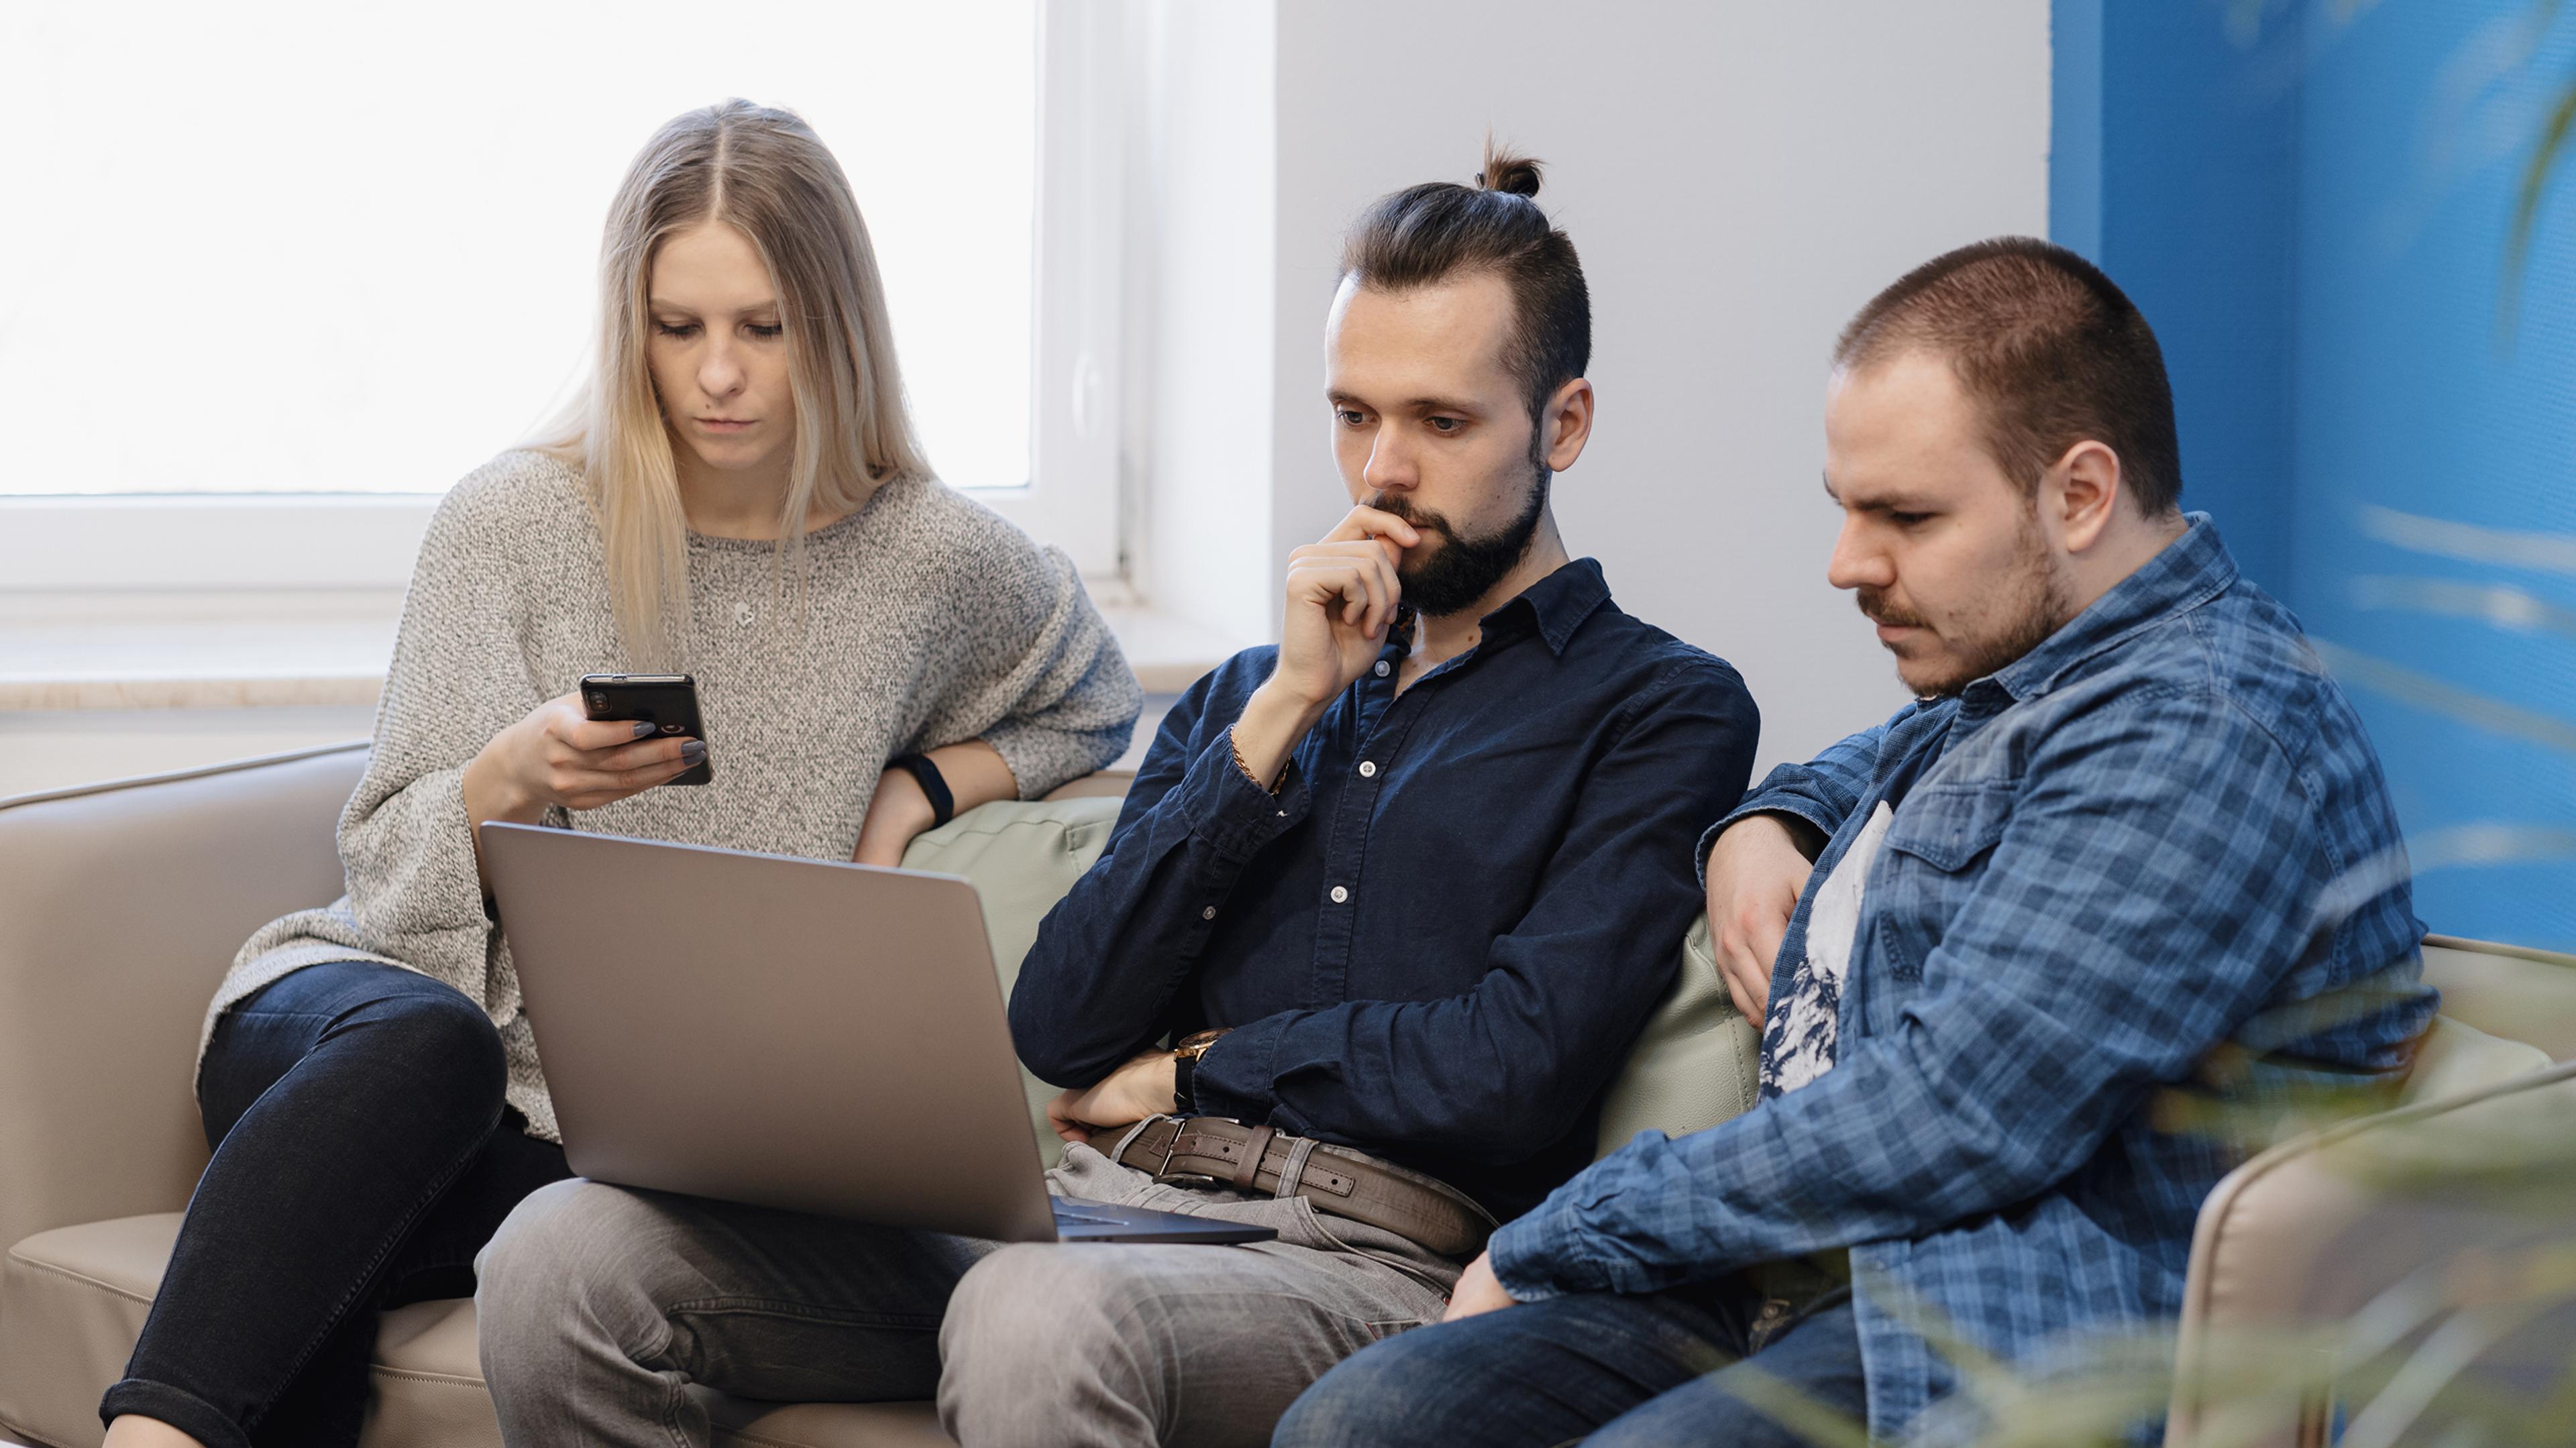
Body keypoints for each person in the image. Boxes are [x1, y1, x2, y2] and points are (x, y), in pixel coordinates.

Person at [473, 145, 1762, 1448]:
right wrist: (1278, 721)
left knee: (1034, 1314)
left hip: (1361, 1260)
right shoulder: (1255, 697)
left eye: (1441, 422)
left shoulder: (1662, 708)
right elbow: (1064, 1021)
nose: (1379, 471)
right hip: (1083, 1211)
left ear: (1564, 423)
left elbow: (1511, 1071)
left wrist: (1203, 1068)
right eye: (1352, 414)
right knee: (564, 1256)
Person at [1275, 237, 2439, 1448]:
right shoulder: (2028, 683)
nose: (1847, 565)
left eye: (1906, 517)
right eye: (1845, 509)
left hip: (2005, 1328)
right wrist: (1765, 823)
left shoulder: (2201, 729)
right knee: (1362, 1423)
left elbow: (1952, 1111)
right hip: (1807, 1281)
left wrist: (1565, 1232)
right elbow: (1878, 761)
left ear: (2081, 495)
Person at [98, 99, 1140, 1448]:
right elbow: (386, 881)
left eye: (761, 329)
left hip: (581, 1141)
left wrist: (924, 788)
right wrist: (506, 780)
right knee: (439, 1050)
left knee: (527, 1231)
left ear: (835, 326)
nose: (719, 374)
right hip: (361, 1032)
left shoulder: (928, 560)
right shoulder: (515, 522)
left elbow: (1096, 694)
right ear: (628, 323)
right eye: (679, 327)